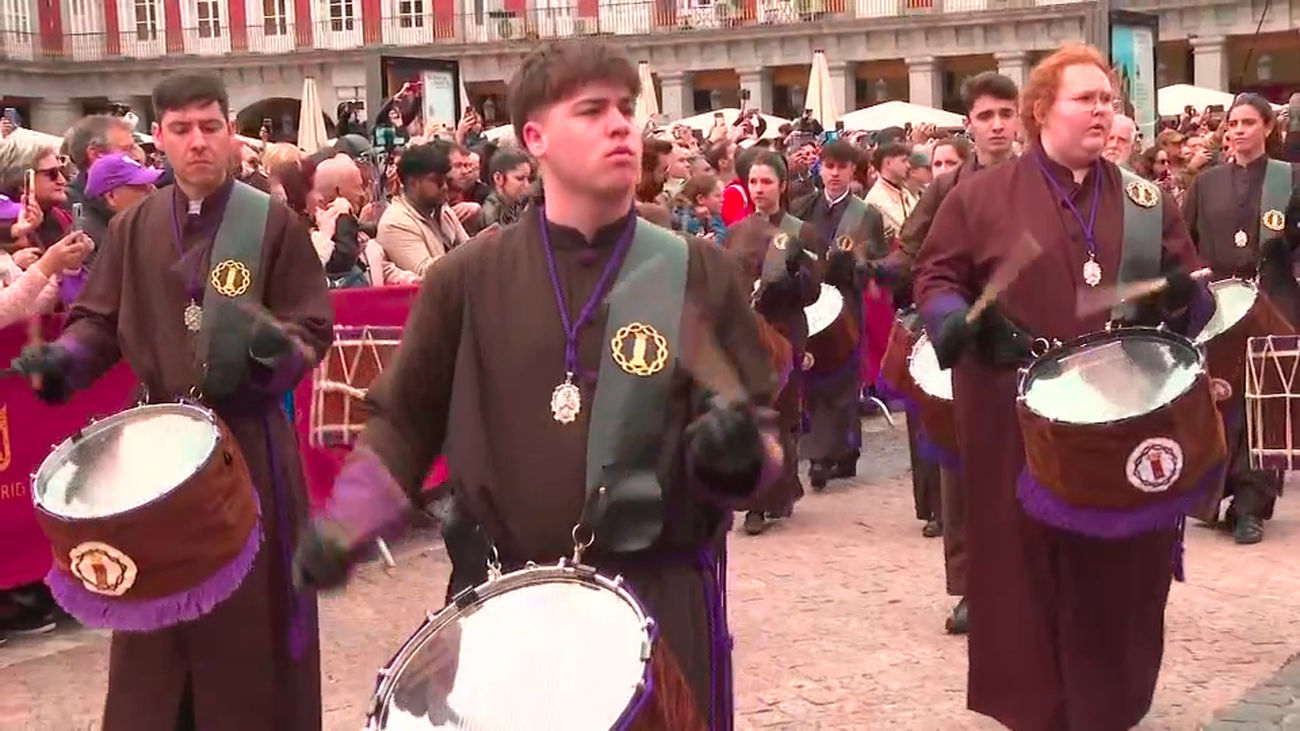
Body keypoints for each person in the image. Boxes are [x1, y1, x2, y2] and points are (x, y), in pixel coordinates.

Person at [293, 40, 782, 730]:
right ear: (534, 138)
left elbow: (764, 442)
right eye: (592, 110)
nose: (620, 125)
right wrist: (347, 519)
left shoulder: (696, 270)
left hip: (657, 599)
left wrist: (740, 459)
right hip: (508, 603)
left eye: (625, 109)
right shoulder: (466, 278)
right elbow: (403, 422)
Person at [11, 72, 332, 731]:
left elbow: (312, 329)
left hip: (246, 452)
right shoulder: (133, 228)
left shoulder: (268, 221)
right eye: (181, 129)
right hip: (152, 458)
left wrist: (273, 350)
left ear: (229, 132)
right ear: (160, 139)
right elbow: (97, 323)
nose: (198, 142)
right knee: (155, 632)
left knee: (249, 632)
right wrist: (62, 361)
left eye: (210, 126)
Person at [912, 45, 1210, 729]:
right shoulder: (981, 194)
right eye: (1087, 98)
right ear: (1042, 109)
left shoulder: (1145, 197)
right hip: (1017, 420)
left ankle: (1109, 707)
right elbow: (936, 276)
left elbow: (1194, 297)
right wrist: (954, 322)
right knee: (1025, 571)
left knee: (1119, 575)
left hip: (1119, 427)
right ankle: (1038, 712)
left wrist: (1177, 298)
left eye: (1108, 99)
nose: (1102, 110)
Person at [886, 70, 1022, 636]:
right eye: (985, 116)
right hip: (968, 343)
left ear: (1020, 120)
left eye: (1004, 114)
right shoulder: (947, 189)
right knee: (962, 472)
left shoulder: (1037, 181)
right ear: (970, 124)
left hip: (1030, 341)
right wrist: (939, 308)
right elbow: (917, 253)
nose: (995, 126)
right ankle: (968, 588)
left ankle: (1025, 583)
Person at [1181, 93, 1300, 545]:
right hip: (1219, 305)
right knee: (1220, 400)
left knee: (1261, 406)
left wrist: (1288, 251)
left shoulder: (1290, 179)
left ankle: (1252, 505)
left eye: (1249, 122)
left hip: (1273, 301)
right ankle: (1217, 494)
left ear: (1268, 128)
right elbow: (1184, 240)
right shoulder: (1206, 183)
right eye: (1233, 123)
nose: (1238, 130)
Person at [798, 140, 887, 490]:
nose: (834, 174)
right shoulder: (805, 206)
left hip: (848, 302)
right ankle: (822, 453)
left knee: (844, 380)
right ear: (820, 169)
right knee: (815, 378)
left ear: (853, 172)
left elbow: (878, 259)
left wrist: (859, 265)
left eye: (842, 168)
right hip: (812, 303)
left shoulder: (867, 214)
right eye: (829, 167)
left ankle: (840, 454)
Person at [376, 141, 469, 278]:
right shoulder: (395, 222)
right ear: (413, 183)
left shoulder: (442, 210)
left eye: (445, 180)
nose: (444, 187)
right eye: (437, 181)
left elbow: (467, 246)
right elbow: (426, 273)